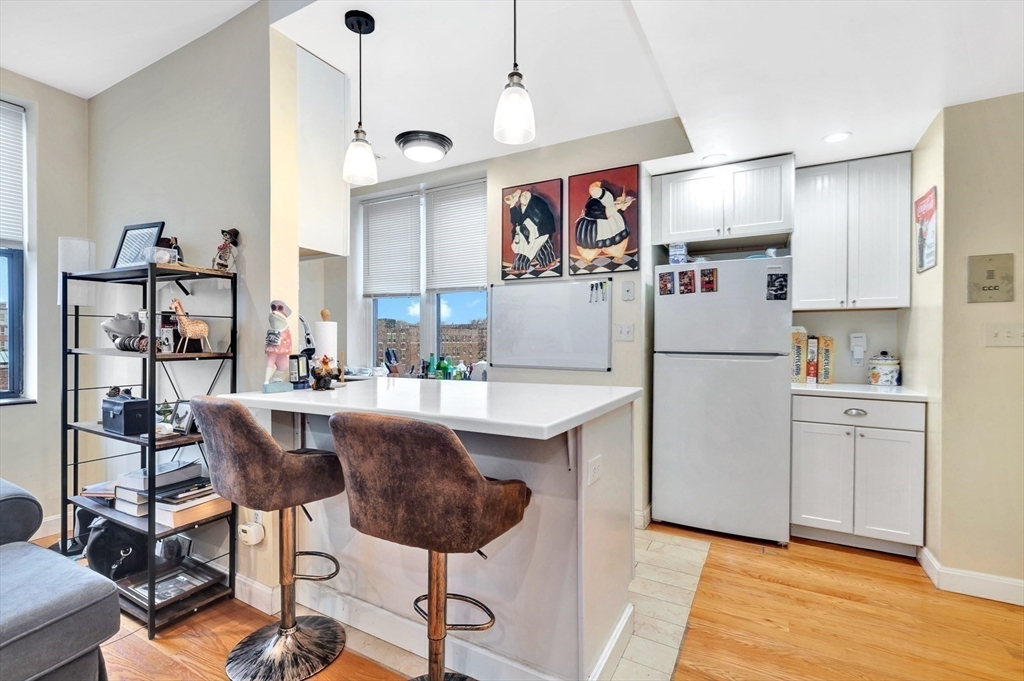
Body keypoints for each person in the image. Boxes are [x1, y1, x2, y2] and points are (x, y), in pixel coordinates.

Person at [574, 181, 635, 264]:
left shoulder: (607, 194)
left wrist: (623, 204)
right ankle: (588, 258)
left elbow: (613, 206)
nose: (592, 190)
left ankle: (618, 256)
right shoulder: (593, 202)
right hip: (594, 226)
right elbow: (605, 214)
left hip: (611, 223)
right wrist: (617, 207)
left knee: (616, 243)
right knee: (590, 245)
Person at [264, 300, 292, 384]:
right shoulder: (275, 321)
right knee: (272, 361)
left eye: (279, 308)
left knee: (284, 365)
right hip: (274, 346)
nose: (275, 310)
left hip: (279, 348)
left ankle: (271, 379)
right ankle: (267, 380)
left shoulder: (284, 325)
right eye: (273, 307)